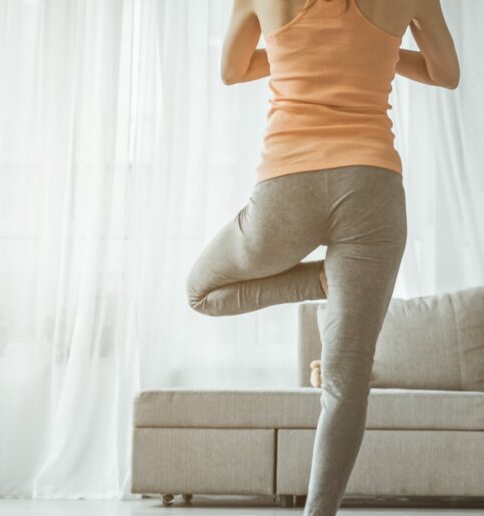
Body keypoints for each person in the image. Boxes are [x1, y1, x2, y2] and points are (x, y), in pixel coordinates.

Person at [186, 1, 458, 514]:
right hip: (372, 187)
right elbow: (447, 74)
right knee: (346, 377)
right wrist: (378, 52)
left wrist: (295, 54)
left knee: (200, 292)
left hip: (287, 186)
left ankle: (319, 283)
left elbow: (232, 70)